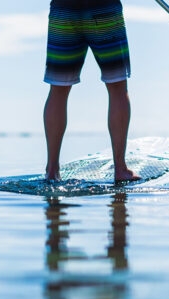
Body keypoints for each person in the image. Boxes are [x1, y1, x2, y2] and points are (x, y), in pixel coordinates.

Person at [43, 0, 139, 182]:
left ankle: (52, 170)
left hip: (64, 10)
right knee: (117, 87)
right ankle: (120, 169)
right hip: (104, 10)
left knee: (58, 90)